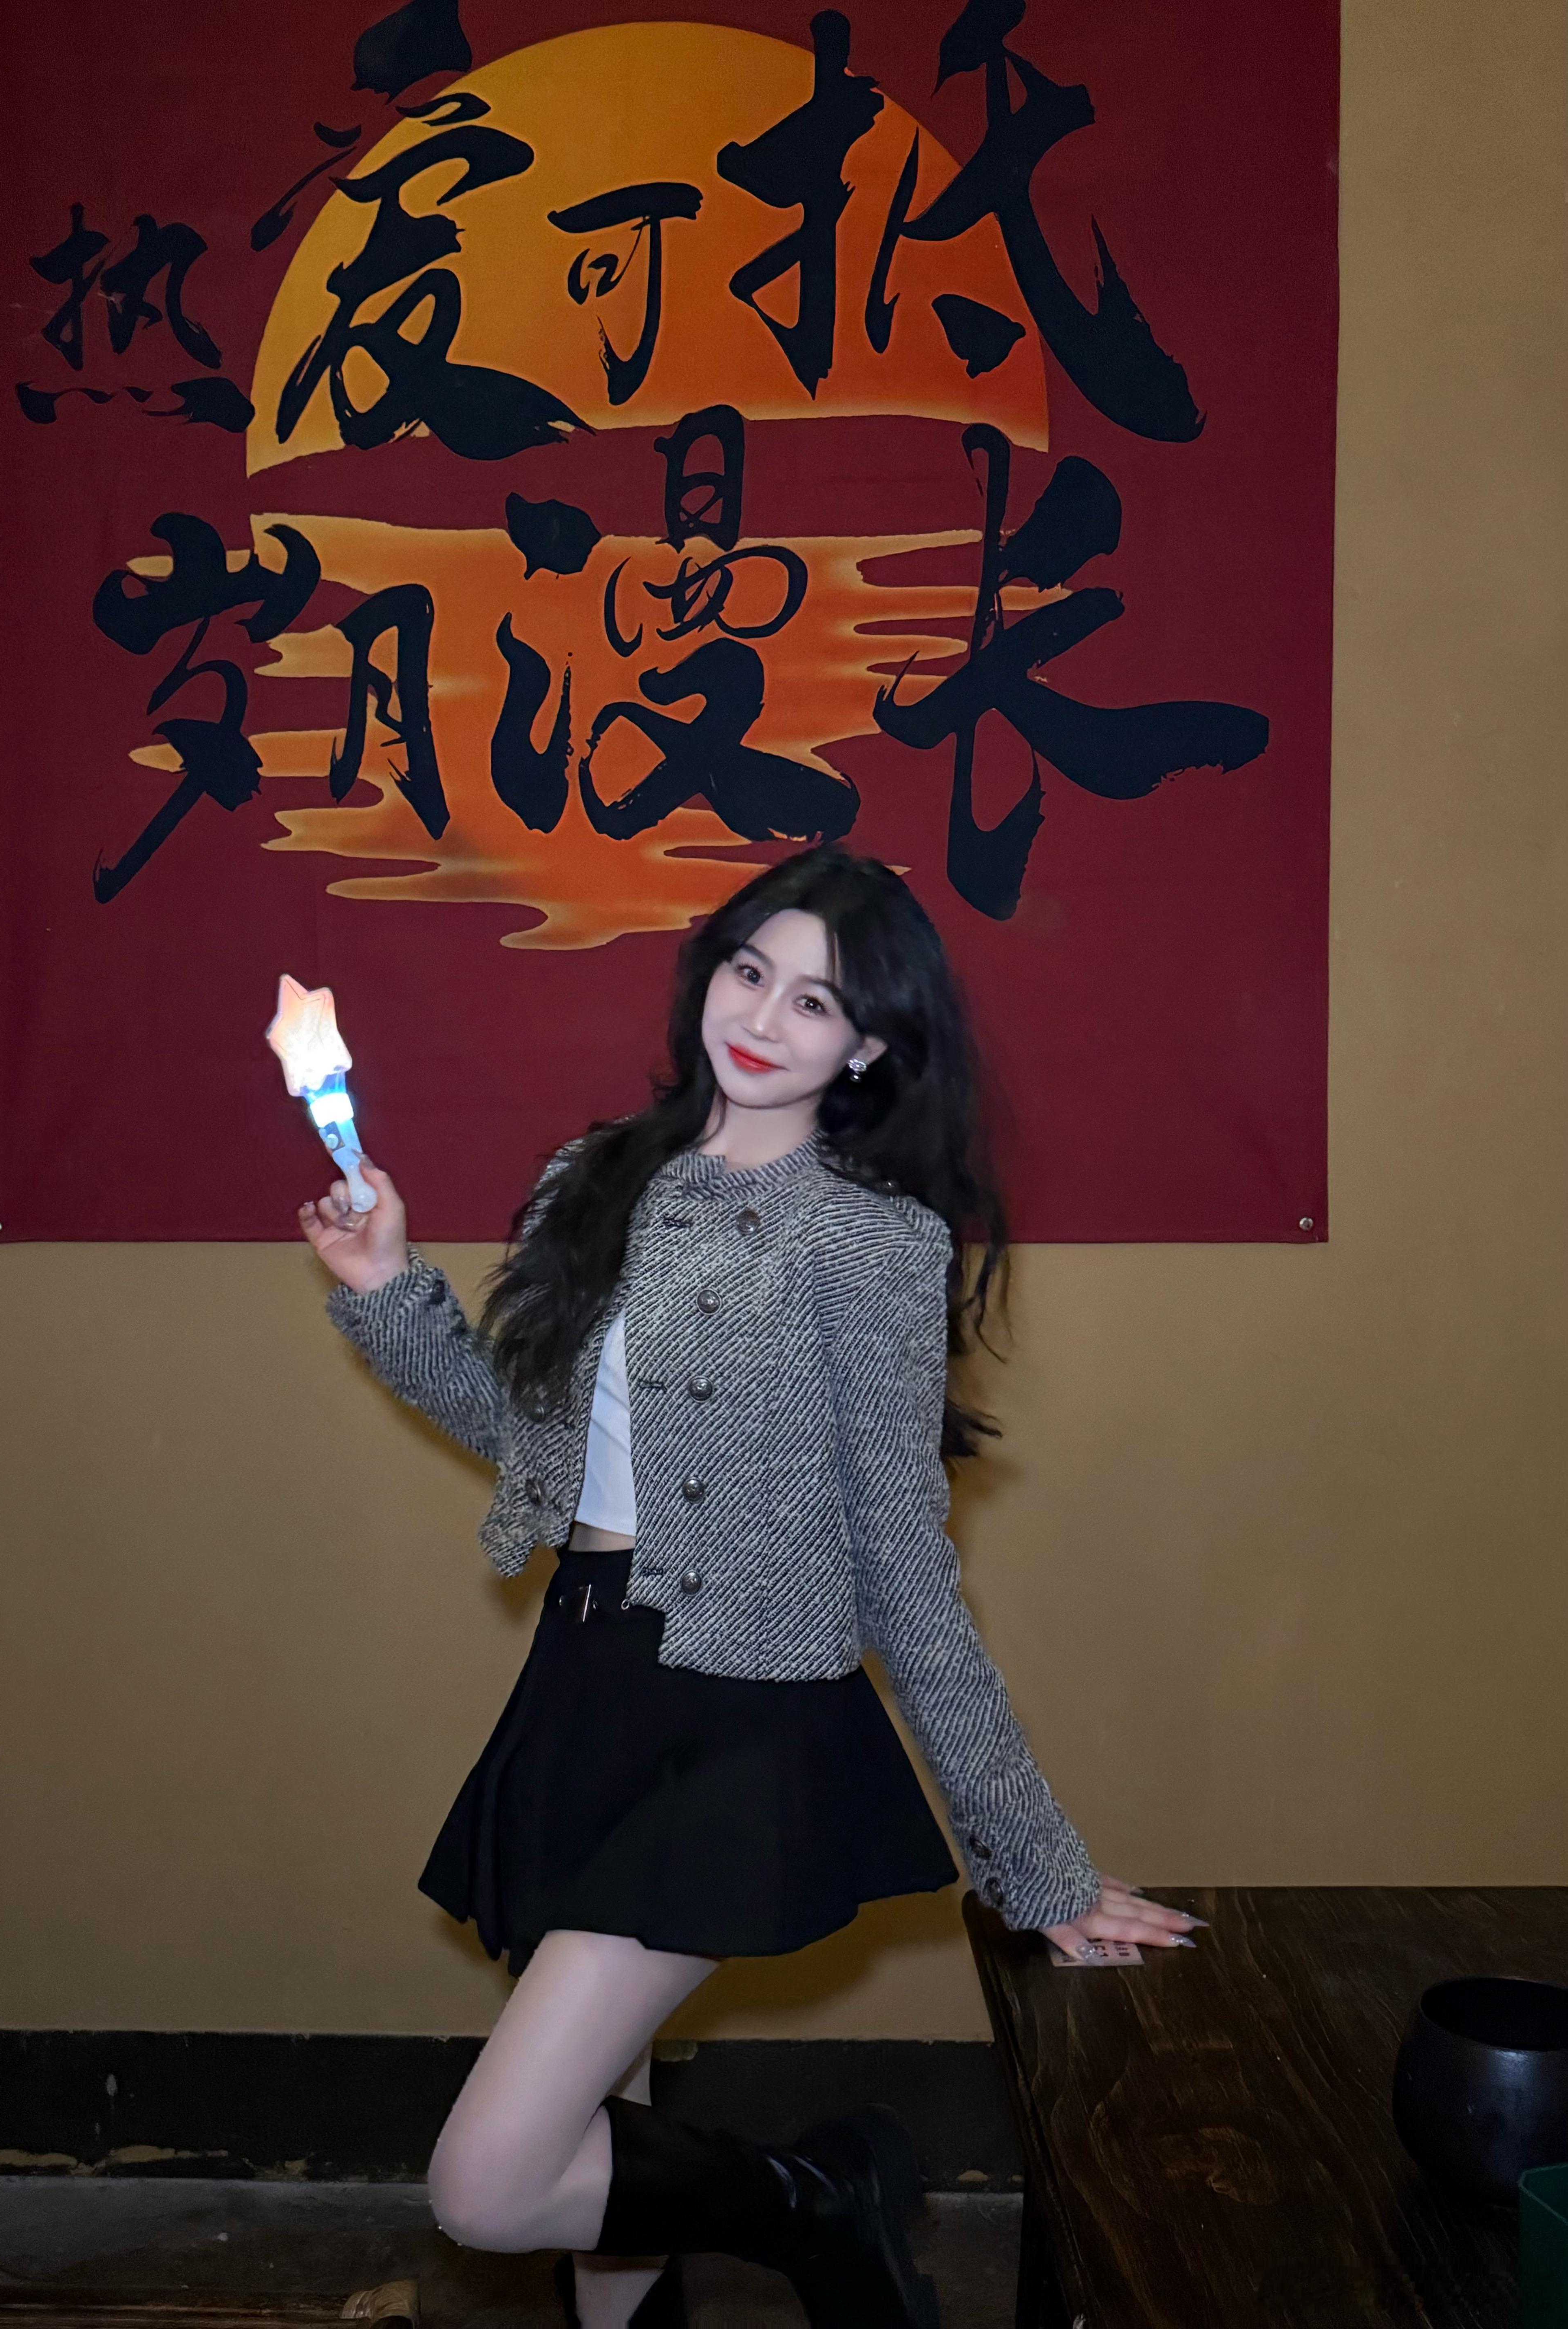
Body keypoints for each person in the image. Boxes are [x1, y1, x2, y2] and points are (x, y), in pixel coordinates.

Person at [299, 845, 1197, 2329]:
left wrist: (1032, 1861)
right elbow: (528, 1442)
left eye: (816, 1001)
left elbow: (903, 1564)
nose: (765, 1019)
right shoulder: (588, 1178)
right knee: (602, 2134)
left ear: (871, 1044)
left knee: (490, 2184)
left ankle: (812, 2200)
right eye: (748, 971)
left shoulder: (874, 1241)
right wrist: (388, 1290)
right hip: (580, 1677)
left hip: (743, 1713)